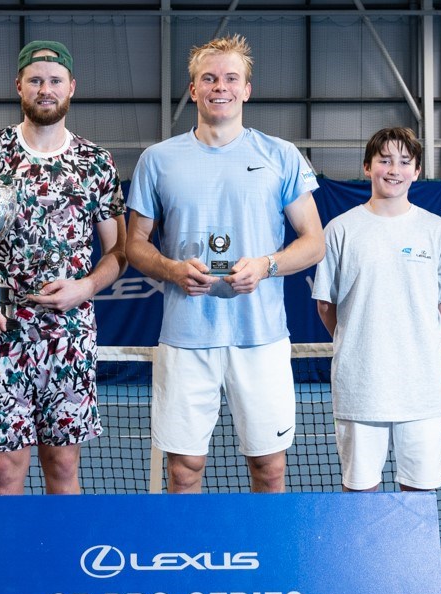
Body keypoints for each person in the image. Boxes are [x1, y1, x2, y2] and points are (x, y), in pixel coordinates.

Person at [125, 34, 324, 494]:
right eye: (209, 78)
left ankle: (267, 564)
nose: (221, 86)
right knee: (184, 469)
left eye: (231, 78)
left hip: (261, 338)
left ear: (247, 89)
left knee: (269, 469)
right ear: (193, 90)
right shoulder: (158, 160)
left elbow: (314, 241)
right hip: (186, 338)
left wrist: (267, 265)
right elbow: (134, 244)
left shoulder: (280, 156)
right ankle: (186, 563)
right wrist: (173, 270)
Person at [0, 40, 126, 495]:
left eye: (55, 81)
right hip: (1, 333)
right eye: (35, 80)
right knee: (7, 471)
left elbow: (119, 252)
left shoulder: (96, 162)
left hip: (70, 337)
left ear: (71, 87)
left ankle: (65, 567)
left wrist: (86, 288)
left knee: (62, 467)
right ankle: (9, 569)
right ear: (19, 86)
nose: (45, 89)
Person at [313, 127, 441, 494]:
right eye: (384, 160)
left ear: (416, 170)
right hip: (360, 390)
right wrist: (361, 340)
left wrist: (416, 340)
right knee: (360, 496)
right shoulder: (340, 230)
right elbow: (325, 306)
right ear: (367, 167)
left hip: (422, 392)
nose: (394, 169)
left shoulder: (438, 230)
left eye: (404, 161)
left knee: (419, 497)